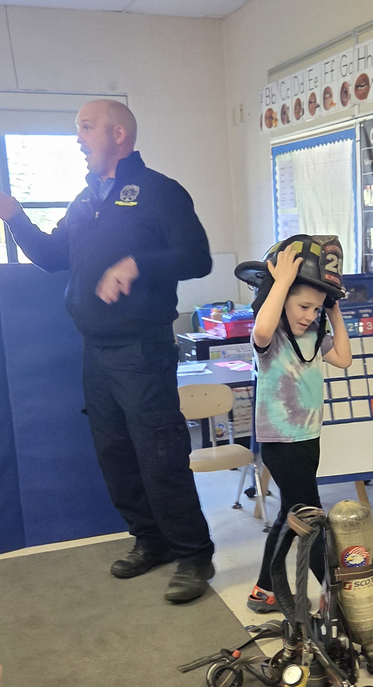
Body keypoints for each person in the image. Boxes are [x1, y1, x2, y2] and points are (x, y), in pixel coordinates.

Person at [0, 100, 215, 603]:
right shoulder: (83, 200)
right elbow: (53, 258)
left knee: (160, 455)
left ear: (118, 134)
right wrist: (15, 215)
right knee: (116, 455)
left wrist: (136, 263)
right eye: (78, 128)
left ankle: (193, 556)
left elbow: (197, 257)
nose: (78, 137)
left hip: (142, 348)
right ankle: (151, 541)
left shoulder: (160, 191)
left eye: (86, 127)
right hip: (95, 350)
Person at [235, 235, 351, 615]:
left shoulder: (315, 336)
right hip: (281, 443)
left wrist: (332, 311)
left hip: (309, 437)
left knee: (291, 512)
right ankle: (334, 595)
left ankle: (264, 590)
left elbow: (346, 359)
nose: (307, 314)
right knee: (311, 516)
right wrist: (280, 282)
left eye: (314, 308)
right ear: (279, 297)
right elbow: (262, 330)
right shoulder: (270, 339)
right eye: (302, 305)